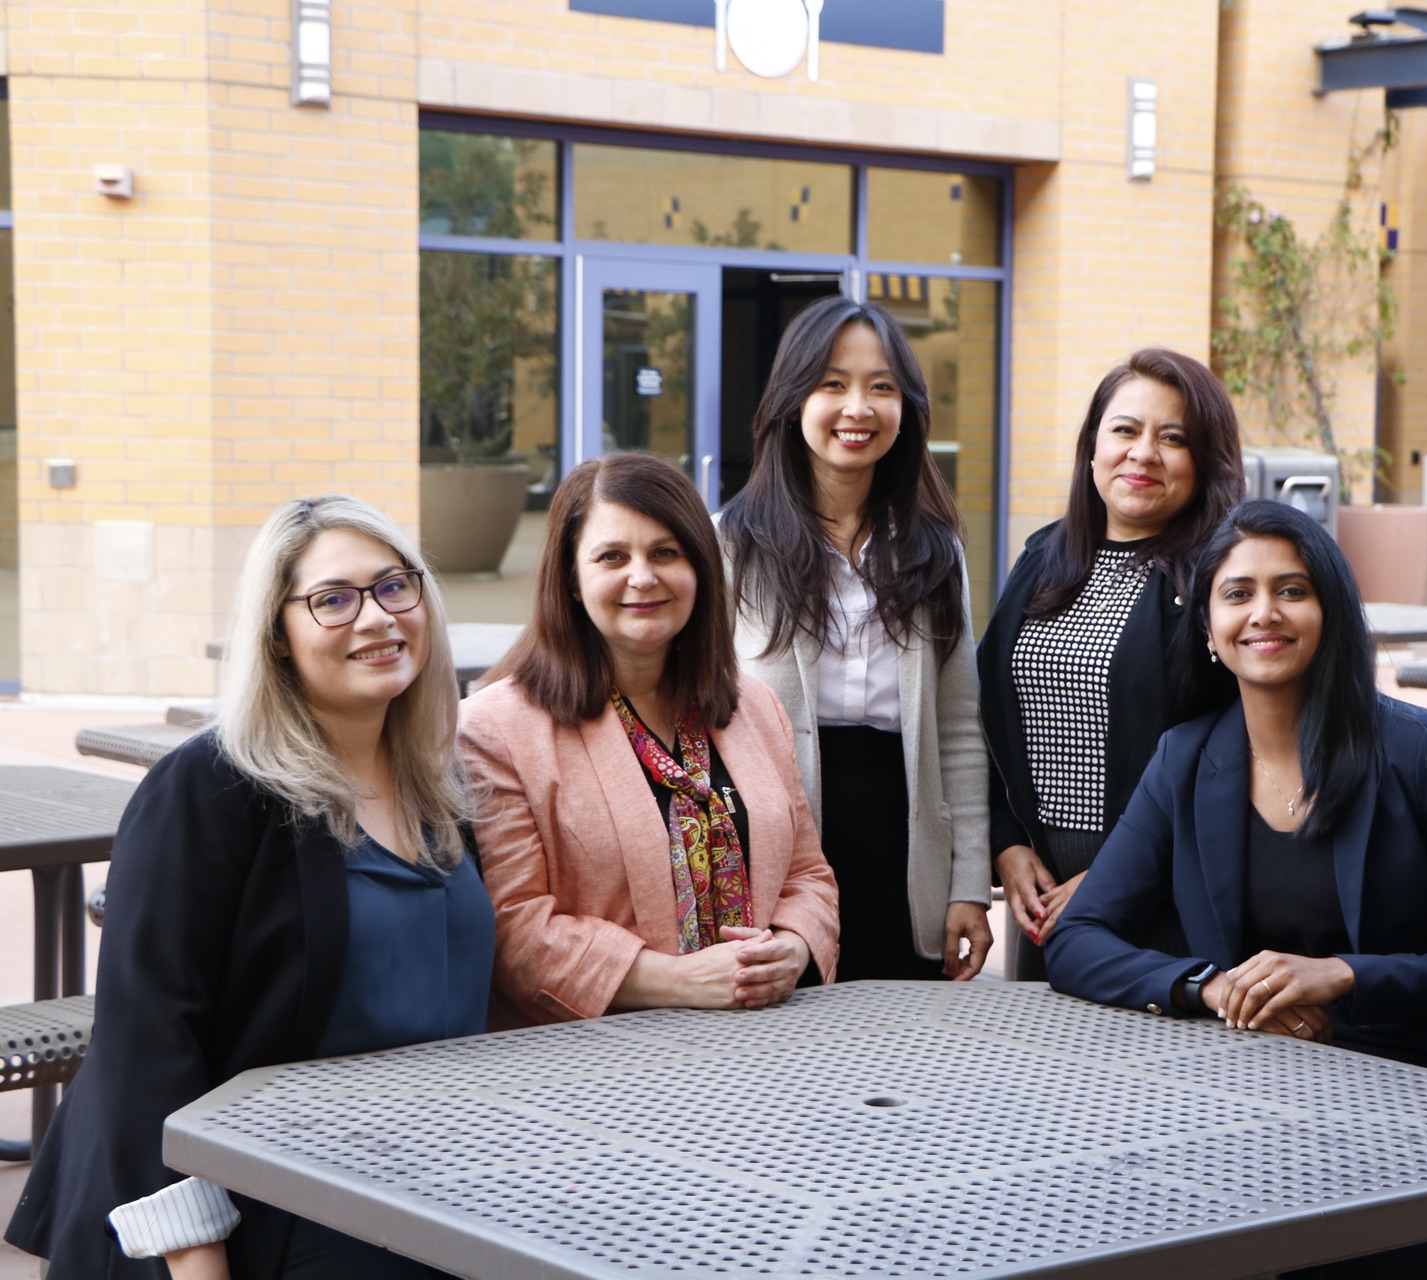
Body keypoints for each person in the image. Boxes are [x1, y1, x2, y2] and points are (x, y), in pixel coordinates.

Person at [6, 496, 486, 1279]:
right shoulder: (212, 788)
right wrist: (198, 1258)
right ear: (278, 636)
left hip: (422, 1182)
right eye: (333, 600)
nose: (377, 617)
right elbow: (147, 1040)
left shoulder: (442, 784)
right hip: (264, 1205)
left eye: (396, 586)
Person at [1046, 499, 1427, 1278]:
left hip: (1409, 1103)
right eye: (1238, 593)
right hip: (1247, 1096)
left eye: (1292, 589)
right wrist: (1212, 988)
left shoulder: (1423, 752)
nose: (1265, 613)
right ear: (1210, 628)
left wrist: (1345, 976)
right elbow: (1078, 939)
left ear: (1330, 609)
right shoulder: (1184, 760)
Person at [461, 452, 838, 1023]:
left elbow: (808, 875)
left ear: (700, 568)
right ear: (570, 575)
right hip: (594, 1071)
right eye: (612, 556)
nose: (643, 576)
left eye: (666, 552)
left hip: (761, 1048)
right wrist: (681, 981)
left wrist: (793, 948)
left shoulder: (756, 707)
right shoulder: (496, 729)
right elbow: (516, 928)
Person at [717, 295, 991, 982]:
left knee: (901, 1037)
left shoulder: (935, 550)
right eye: (832, 384)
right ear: (791, 399)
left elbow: (958, 727)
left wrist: (968, 883)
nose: (857, 408)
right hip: (780, 826)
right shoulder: (733, 543)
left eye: (882, 388)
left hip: (903, 831)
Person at [977, 348, 1242, 981]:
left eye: (1172, 438)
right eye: (1125, 429)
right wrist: (1007, 845)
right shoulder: (1043, 559)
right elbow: (984, 718)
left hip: (1169, 890)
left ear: (1205, 462)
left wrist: (1119, 871)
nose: (1143, 453)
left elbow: (1237, 751)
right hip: (1041, 892)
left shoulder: (1220, 583)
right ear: (1092, 447)